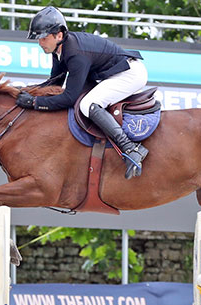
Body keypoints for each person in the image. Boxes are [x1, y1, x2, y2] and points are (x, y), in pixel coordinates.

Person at [16, 6, 149, 179]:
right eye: (38, 38)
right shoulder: (59, 49)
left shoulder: (75, 54)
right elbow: (54, 83)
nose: (40, 42)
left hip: (130, 74)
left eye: (43, 37)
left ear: (59, 35)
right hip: (115, 72)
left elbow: (69, 98)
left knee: (88, 105)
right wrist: (23, 91)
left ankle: (131, 147)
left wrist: (35, 103)